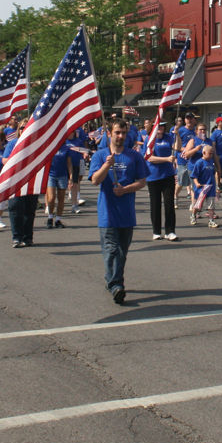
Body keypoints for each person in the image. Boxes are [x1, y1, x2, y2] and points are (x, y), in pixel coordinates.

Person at [89, 120, 149, 305]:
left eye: (123, 132)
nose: (120, 136)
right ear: (110, 133)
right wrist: (107, 165)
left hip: (126, 213)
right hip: (107, 212)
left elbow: (142, 181)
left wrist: (126, 189)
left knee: (122, 252)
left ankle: (112, 281)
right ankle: (116, 285)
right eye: (117, 132)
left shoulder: (134, 156)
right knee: (111, 250)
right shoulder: (100, 155)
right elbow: (95, 180)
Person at [145, 123, 178, 241]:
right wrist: (166, 159)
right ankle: (156, 231)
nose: (161, 129)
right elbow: (149, 157)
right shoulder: (150, 139)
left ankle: (170, 231)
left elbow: (177, 147)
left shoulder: (169, 137)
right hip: (153, 176)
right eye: (159, 126)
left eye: (163, 126)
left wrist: (177, 134)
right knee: (155, 205)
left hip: (168, 175)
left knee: (169, 204)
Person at [189, 143, 219, 227]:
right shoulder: (199, 163)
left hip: (210, 187)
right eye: (209, 153)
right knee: (198, 205)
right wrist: (197, 183)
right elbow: (194, 175)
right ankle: (193, 215)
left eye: (212, 153)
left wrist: (217, 184)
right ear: (204, 153)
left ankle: (211, 220)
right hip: (201, 188)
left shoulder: (211, 162)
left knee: (211, 205)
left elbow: (214, 173)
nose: (211, 155)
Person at [45, 139, 71, 229]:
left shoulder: (66, 148)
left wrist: (70, 177)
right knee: (51, 197)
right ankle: (50, 217)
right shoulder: (50, 147)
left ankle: (58, 219)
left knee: (61, 199)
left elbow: (69, 164)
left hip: (62, 175)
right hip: (51, 175)